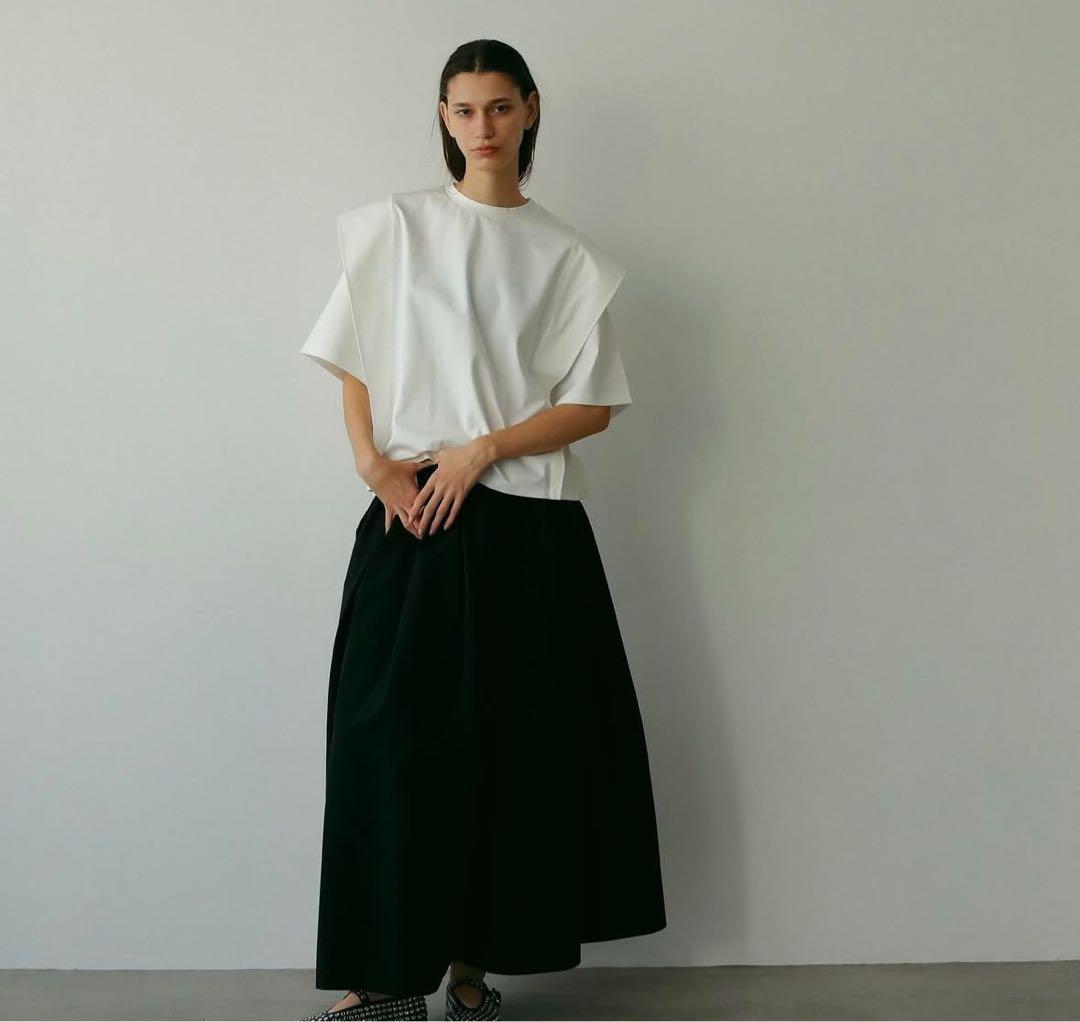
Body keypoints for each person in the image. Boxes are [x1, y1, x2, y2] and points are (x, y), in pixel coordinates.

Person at [298, 39, 667, 1022]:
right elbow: (355, 360)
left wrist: (483, 450)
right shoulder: (397, 229)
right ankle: (385, 979)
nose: (482, 127)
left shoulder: (568, 256)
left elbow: (592, 405)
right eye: (463, 110)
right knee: (387, 744)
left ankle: (470, 966)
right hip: (412, 515)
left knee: (511, 751)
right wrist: (375, 464)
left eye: (499, 107)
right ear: (444, 117)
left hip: (529, 531)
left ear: (531, 109)